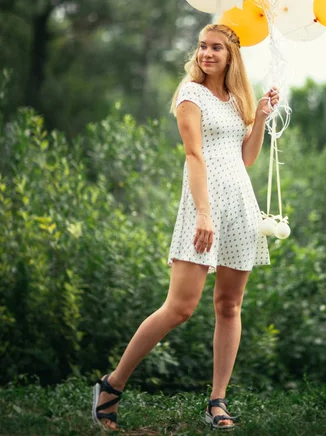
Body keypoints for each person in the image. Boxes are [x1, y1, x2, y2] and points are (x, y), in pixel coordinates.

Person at [92, 23, 280, 431]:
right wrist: (203, 213)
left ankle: (217, 401)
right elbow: (195, 156)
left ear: (231, 56)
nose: (206, 53)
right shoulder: (189, 95)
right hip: (203, 209)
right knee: (179, 307)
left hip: (241, 208)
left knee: (229, 306)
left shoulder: (236, 100)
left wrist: (260, 117)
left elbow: (245, 158)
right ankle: (111, 385)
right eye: (202, 46)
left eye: (215, 48)